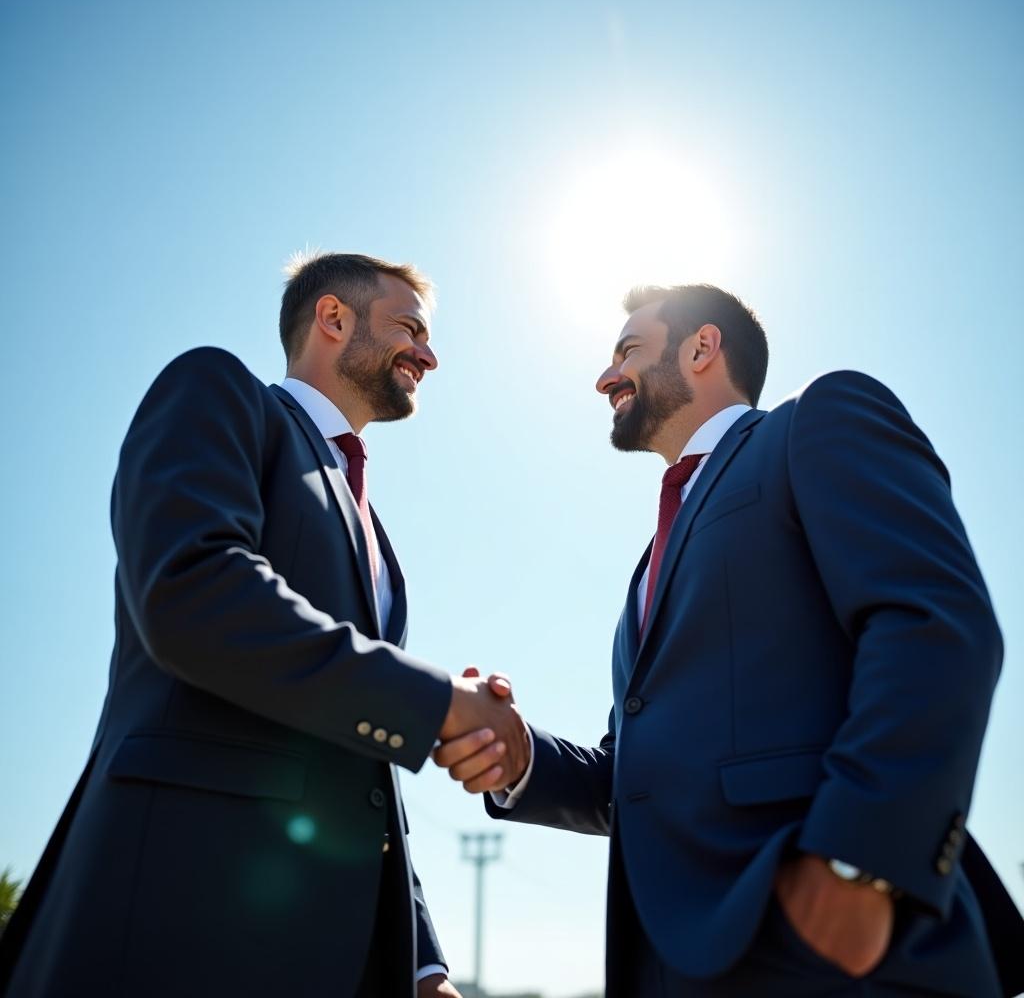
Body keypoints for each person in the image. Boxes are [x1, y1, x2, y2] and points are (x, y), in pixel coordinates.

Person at [436, 284, 1024, 996]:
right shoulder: (646, 571)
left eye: (628, 350)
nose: (604, 376)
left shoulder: (818, 420)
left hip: (832, 943)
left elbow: (936, 623)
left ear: (702, 348)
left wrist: (859, 863)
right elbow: (641, 773)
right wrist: (522, 758)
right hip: (674, 963)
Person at [0, 252, 528, 998]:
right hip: (173, 914)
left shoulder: (376, 534)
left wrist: (421, 959)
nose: (430, 354)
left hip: (317, 948)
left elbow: (359, 765)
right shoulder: (217, 390)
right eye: (410, 326)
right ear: (333, 318)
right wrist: (435, 702)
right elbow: (194, 591)